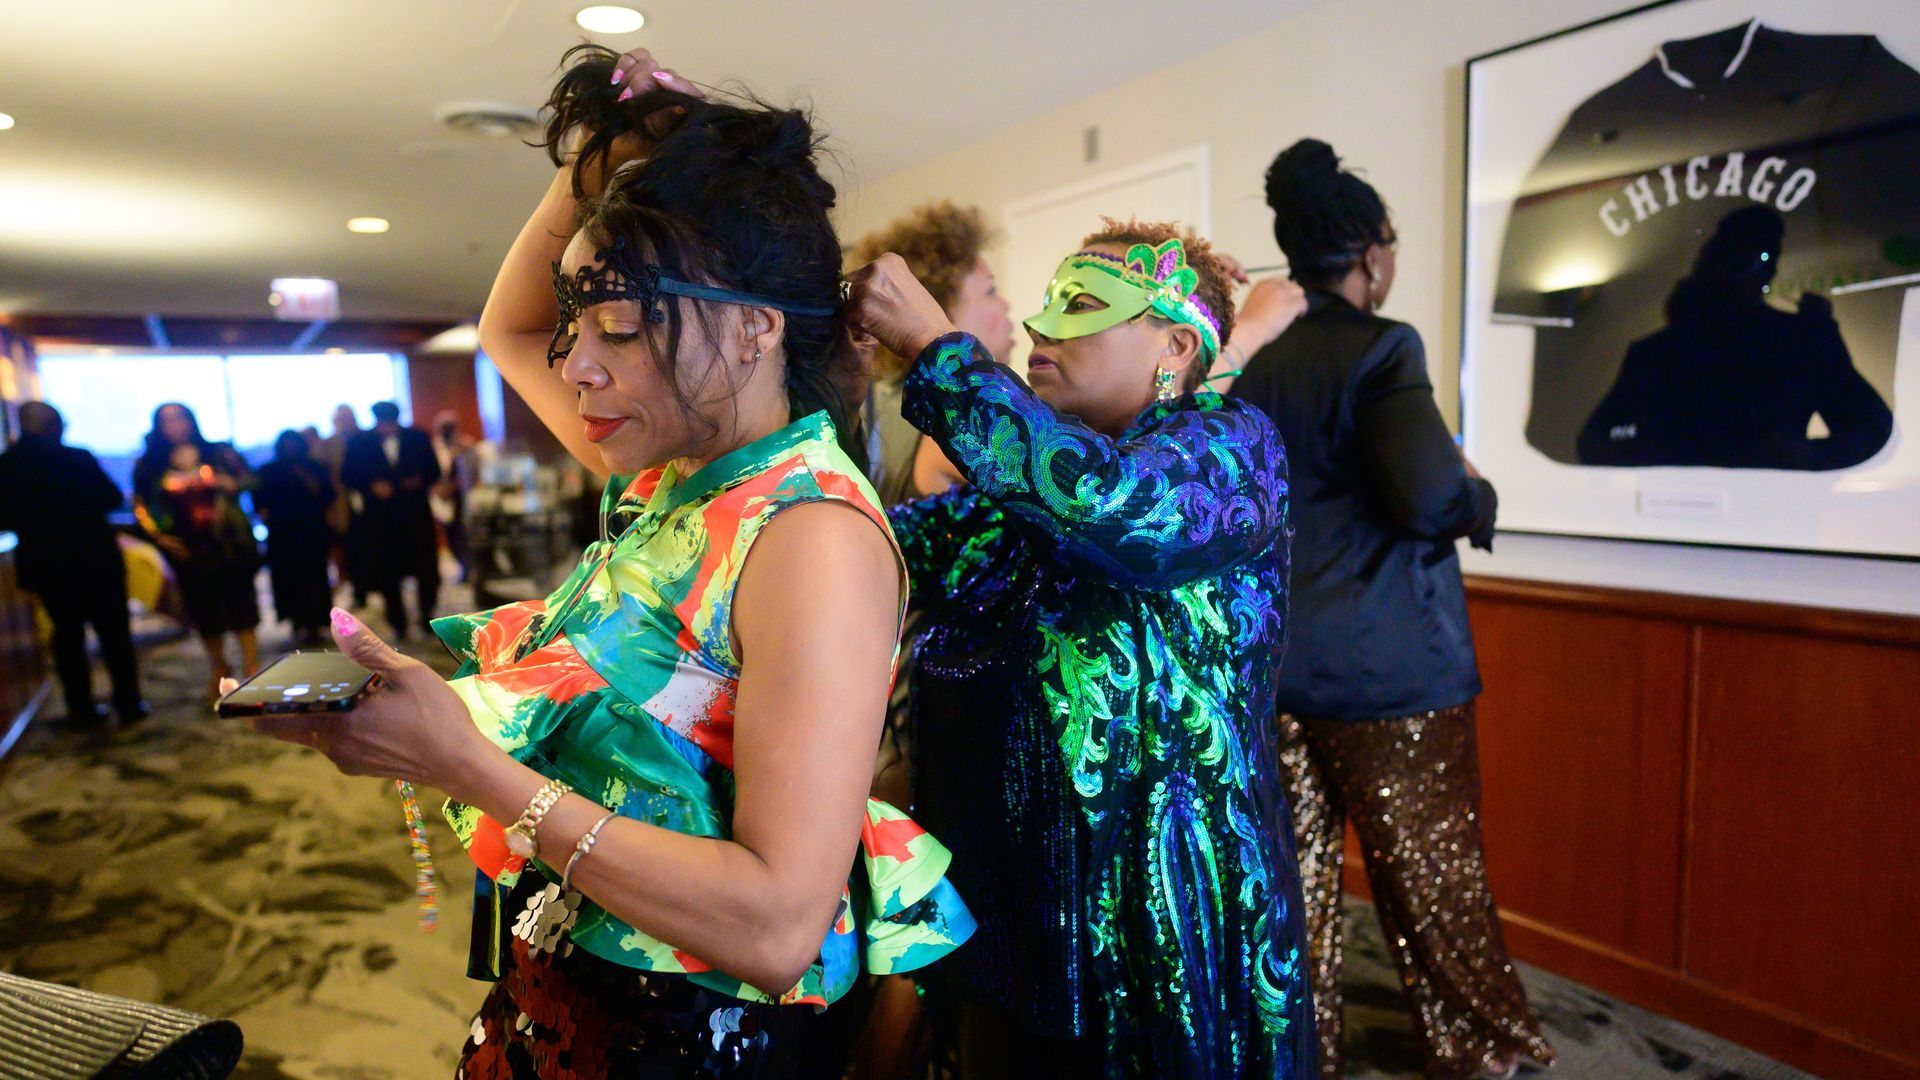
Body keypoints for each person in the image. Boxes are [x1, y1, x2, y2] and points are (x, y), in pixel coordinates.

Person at [236, 47, 970, 1077]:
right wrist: (600, 157)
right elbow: (512, 322)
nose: (575, 360)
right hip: (570, 992)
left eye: (620, 326)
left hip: (684, 1038)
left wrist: (468, 765)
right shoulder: (682, 473)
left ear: (757, 329)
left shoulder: (808, 534)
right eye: (580, 321)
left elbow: (775, 927)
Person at [847, 216, 1314, 1078]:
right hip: (1012, 920)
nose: (1040, 325)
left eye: (1086, 303)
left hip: (1155, 930)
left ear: (1174, 345)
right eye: (1049, 299)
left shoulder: (1231, 451)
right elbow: (867, 551)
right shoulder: (1007, 507)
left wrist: (938, 351)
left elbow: (1110, 508)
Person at [1232, 138, 1553, 1080]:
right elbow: (1425, 498)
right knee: (1432, 881)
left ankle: (1304, 1054)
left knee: (1297, 896)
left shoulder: (1248, 359)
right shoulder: (1384, 346)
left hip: (1273, 667)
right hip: (1388, 673)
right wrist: (1479, 495)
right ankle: (1485, 1052)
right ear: (1372, 255)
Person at [1577, 205, 1894, 470]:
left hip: (1761, 523)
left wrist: (1800, 457)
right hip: (1674, 520)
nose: (1738, 272)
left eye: (1759, 258)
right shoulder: (1655, 353)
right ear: (1709, 261)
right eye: (1732, 257)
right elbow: (1595, 442)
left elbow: (1870, 429)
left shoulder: (1803, 341)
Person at [848, 202, 1015, 504]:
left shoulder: (898, 402)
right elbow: (1070, 489)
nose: (1006, 304)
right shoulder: (956, 421)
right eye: (990, 290)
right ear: (939, 307)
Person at [0, 401, 145, 728]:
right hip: (95, 560)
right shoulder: (77, 458)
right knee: (114, 637)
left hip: (46, 566)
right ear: (55, 426)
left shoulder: (7, 464)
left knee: (66, 639)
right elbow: (109, 497)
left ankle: (80, 710)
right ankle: (129, 703)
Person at [133, 403, 260, 702]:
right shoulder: (151, 463)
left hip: (228, 543)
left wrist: (232, 484)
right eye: (167, 420)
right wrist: (162, 538)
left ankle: (252, 667)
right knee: (204, 608)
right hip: (186, 546)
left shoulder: (218, 452)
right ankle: (219, 665)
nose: (175, 425)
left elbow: (252, 480)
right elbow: (142, 505)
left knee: (241, 603)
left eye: (180, 417)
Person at [340, 401, 441, 639]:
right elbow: (348, 475)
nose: (387, 428)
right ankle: (398, 621)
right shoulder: (360, 442)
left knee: (426, 569)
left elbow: (433, 471)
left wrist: (417, 482)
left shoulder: (418, 437)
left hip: (415, 515)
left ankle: (429, 617)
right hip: (380, 520)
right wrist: (371, 486)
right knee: (387, 572)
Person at [255, 429, 338, 646]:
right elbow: (260, 501)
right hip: (282, 536)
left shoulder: (315, 469)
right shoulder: (268, 471)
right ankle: (297, 620)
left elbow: (329, 496)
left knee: (315, 580)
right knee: (288, 581)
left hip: (311, 533)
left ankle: (314, 623)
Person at [318, 404, 364, 606]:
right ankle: (354, 587)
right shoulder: (328, 445)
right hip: (340, 506)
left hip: (366, 505)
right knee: (345, 550)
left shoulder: (366, 439)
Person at [430, 410, 478, 581]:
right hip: (444, 498)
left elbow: (473, 472)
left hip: (464, 497)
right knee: (451, 534)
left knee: (466, 534)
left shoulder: (467, 445)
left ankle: (469, 568)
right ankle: (463, 565)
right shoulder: (435, 446)